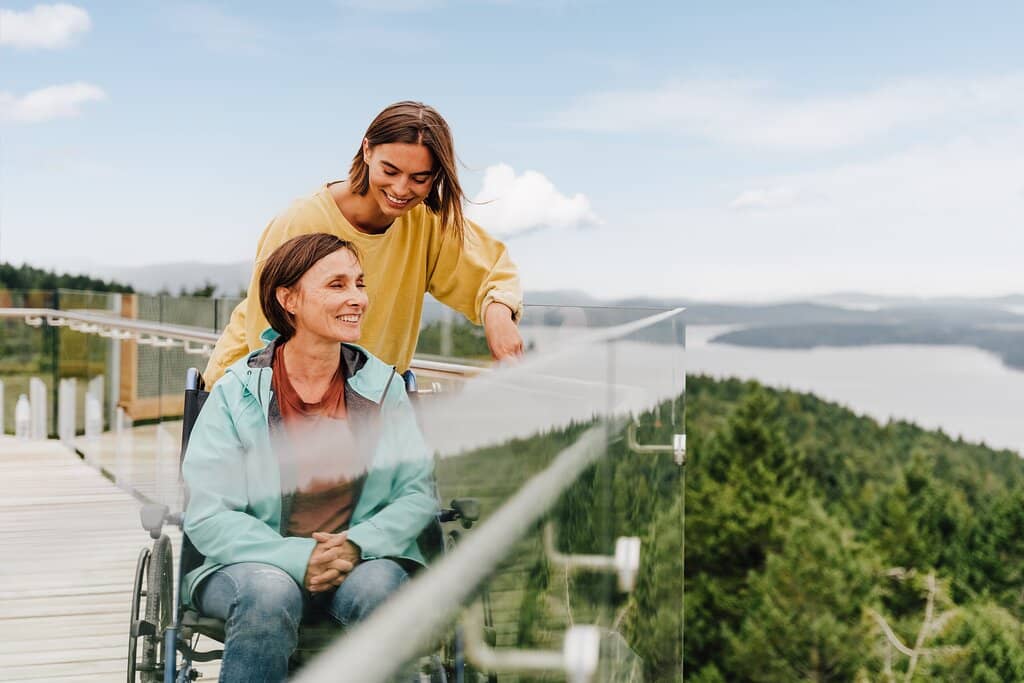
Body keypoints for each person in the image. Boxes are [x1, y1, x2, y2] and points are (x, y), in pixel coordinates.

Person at [182, 233, 437, 682]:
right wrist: (298, 557)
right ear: (289, 299)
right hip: (253, 565)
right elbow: (208, 513)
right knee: (268, 593)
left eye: (359, 283)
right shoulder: (236, 392)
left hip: (361, 560)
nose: (357, 298)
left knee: (383, 591)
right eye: (337, 285)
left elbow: (415, 495)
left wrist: (358, 544)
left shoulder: (384, 388)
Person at [204, 100, 524, 386]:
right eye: (390, 170)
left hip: (360, 407)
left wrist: (497, 314)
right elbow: (266, 333)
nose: (401, 189)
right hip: (255, 393)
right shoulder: (300, 222)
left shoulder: (426, 225)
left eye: (419, 178)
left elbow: (492, 268)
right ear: (367, 150)